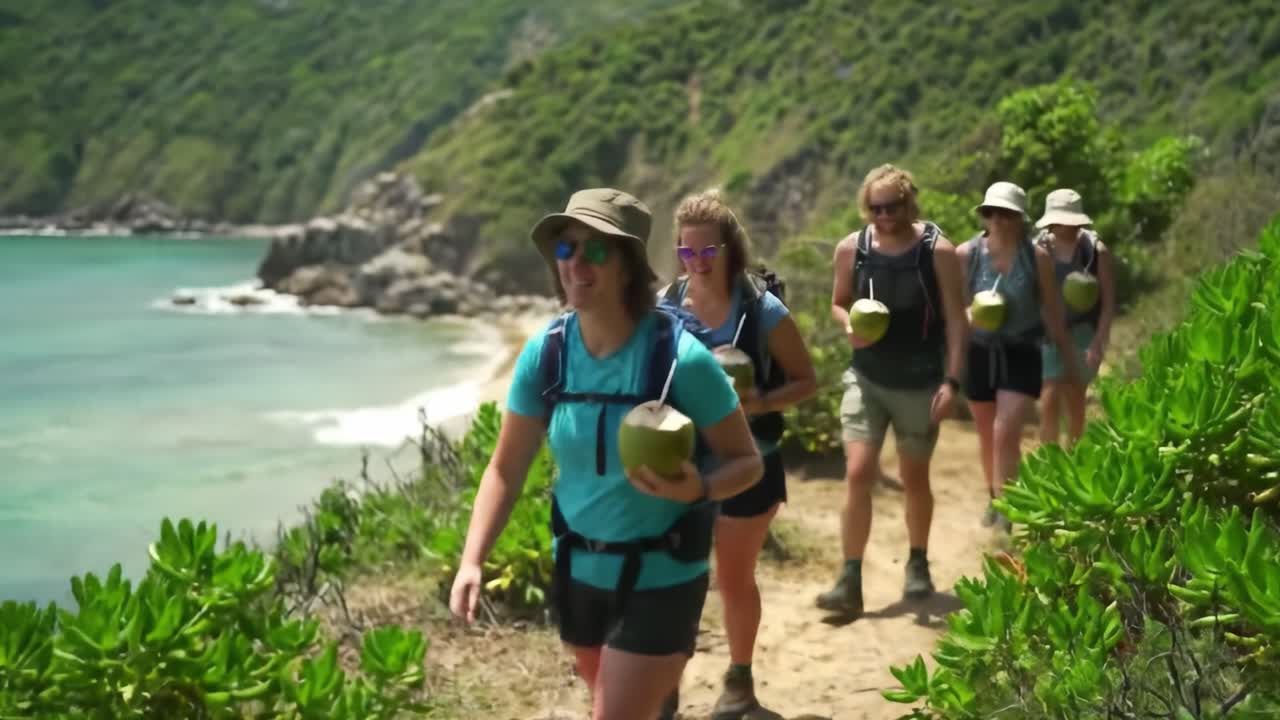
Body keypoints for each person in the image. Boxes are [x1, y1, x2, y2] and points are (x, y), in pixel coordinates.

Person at [447, 188, 764, 720]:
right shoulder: (545, 354)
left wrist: (701, 488)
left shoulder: (680, 361)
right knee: (622, 701)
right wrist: (472, 560)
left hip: (661, 575)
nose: (576, 264)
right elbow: (505, 467)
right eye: (566, 249)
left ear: (629, 266)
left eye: (597, 251)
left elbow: (747, 463)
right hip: (578, 574)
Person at [657, 188, 818, 717]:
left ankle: (739, 681)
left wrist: (759, 400)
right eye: (687, 251)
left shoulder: (761, 309)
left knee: (730, 577)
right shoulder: (666, 305)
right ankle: (666, 689)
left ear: (730, 249)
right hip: (683, 460)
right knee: (676, 579)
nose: (698, 262)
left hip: (753, 461)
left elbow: (805, 381)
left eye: (708, 251)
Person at [816, 164, 969, 618]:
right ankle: (849, 578)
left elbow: (957, 321)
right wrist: (849, 328)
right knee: (859, 471)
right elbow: (838, 303)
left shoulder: (937, 252)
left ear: (909, 202)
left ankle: (917, 561)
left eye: (894, 206)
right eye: (876, 207)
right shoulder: (852, 249)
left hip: (920, 381)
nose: (885, 216)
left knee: (914, 476)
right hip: (867, 378)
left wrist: (952, 381)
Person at [957, 182, 1080, 533]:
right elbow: (953, 308)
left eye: (1008, 213)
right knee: (986, 432)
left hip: (1023, 349)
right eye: (993, 213)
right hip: (980, 351)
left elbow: (1052, 309)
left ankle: (1007, 509)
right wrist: (972, 317)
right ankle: (994, 497)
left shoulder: (1035, 257)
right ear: (986, 215)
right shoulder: (968, 254)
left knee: (1005, 429)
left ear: (1020, 218)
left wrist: (1068, 356)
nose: (1000, 220)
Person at [1033, 188, 1114, 447]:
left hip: (1082, 331)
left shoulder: (1095, 250)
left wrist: (1099, 341)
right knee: (1049, 395)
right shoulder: (1037, 250)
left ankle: (1074, 455)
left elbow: (1109, 301)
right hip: (1048, 331)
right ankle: (1049, 460)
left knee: (1075, 395)